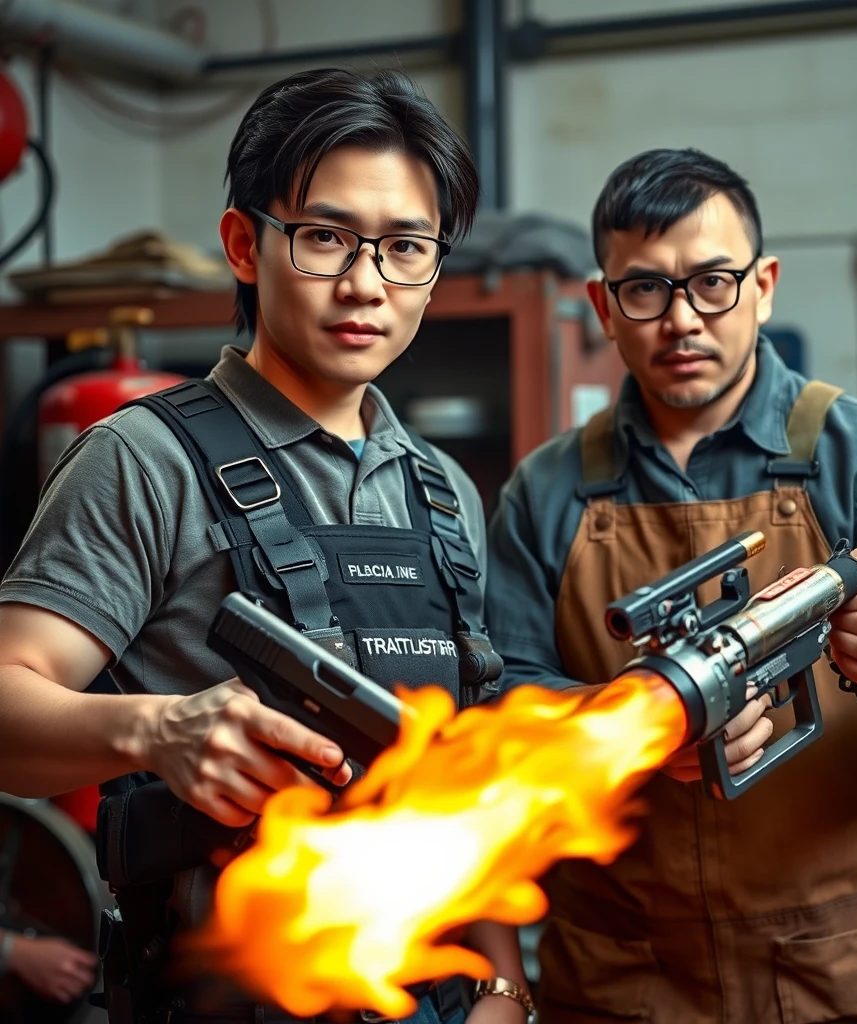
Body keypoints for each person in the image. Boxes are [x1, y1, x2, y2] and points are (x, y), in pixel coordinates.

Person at [0, 68, 531, 1024]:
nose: (366, 283)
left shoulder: (443, 492)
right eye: (326, 237)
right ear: (245, 243)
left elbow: (460, 773)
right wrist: (157, 732)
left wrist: (503, 985)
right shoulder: (142, 459)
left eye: (406, 248)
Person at [484, 147, 857, 1023]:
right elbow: (499, 708)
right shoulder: (546, 490)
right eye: (646, 289)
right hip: (624, 976)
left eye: (713, 282)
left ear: (764, 285)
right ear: (602, 308)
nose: (682, 319)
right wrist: (637, 725)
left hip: (840, 970)